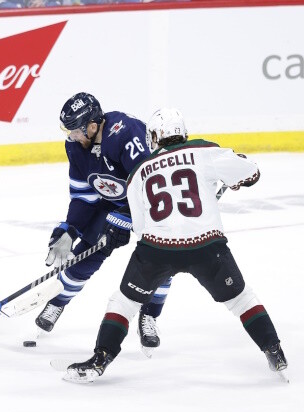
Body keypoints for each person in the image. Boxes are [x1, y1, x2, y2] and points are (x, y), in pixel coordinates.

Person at [63, 108, 288, 383]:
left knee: (123, 303)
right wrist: (242, 174)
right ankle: (274, 351)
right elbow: (251, 171)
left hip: (157, 249)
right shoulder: (204, 151)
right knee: (242, 299)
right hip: (207, 246)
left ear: (154, 137)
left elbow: (141, 227)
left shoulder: (139, 172)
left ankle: (100, 359)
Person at [35, 92, 172, 355]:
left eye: (75, 130)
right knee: (88, 249)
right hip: (112, 200)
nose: (71, 137)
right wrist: (70, 228)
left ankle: (150, 315)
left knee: (161, 254)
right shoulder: (75, 146)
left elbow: (148, 187)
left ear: (93, 125)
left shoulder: (125, 133)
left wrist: (124, 218)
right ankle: (58, 301)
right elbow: (83, 195)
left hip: (152, 200)